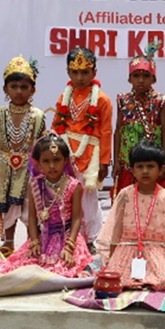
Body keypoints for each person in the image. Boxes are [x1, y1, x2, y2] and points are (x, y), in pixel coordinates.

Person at [0, 134, 94, 277]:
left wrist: (69, 247)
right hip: (43, 237)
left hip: (68, 238)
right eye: (46, 161)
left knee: (66, 268)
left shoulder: (74, 186)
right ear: (38, 163)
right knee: (22, 266)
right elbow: (32, 218)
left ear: (65, 161)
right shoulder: (35, 185)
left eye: (57, 160)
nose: (52, 166)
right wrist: (34, 242)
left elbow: (77, 219)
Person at [98, 142, 165, 290]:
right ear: (133, 170)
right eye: (140, 167)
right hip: (127, 248)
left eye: (150, 166)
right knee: (113, 277)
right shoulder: (125, 194)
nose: (145, 171)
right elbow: (116, 229)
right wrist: (111, 259)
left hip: (156, 250)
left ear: (161, 170)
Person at [51, 47, 113, 245]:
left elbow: (105, 132)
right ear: (68, 72)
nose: (80, 77)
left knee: (89, 198)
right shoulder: (64, 97)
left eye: (85, 72)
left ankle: (89, 241)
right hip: (66, 153)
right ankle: (67, 238)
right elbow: (56, 127)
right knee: (65, 197)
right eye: (75, 72)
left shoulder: (102, 100)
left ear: (94, 72)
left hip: (91, 155)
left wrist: (104, 162)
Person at [0, 55, 47, 257]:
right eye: (14, 86)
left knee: (31, 206)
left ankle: (33, 241)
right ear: (5, 89)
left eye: (24, 86)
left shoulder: (38, 115)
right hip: (5, 166)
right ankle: (8, 242)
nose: (19, 91)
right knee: (6, 206)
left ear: (33, 89)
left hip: (30, 168)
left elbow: (42, 148)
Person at [112, 43, 165, 202]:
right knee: (127, 202)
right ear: (129, 78)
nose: (141, 80)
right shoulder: (122, 100)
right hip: (127, 162)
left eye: (145, 75)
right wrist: (116, 160)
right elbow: (118, 130)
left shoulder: (160, 101)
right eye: (136, 75)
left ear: (154, 78)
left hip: (152, 161)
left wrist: (164, 161)